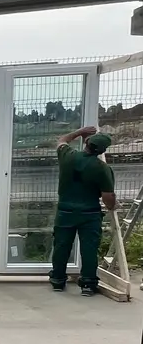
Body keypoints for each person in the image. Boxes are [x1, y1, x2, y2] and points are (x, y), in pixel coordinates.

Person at [48, 125, 117, 296]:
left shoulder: (67, 156)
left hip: (65, 212)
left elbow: (61, 140)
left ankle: (57, 280)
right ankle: (87, 284)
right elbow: (108, 196)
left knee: (62, 246)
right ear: (102, 150)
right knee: (89, 249)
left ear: (86, 142)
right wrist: (113, 206)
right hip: (89, 214)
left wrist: (79, 132)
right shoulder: (102, 168)